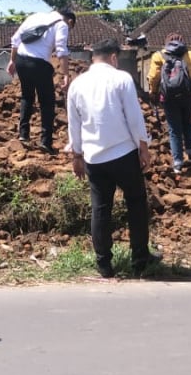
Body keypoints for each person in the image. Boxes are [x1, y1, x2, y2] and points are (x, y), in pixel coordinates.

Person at [66, 38, 161, 279]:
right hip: (123, 154)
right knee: (136, 204)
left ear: (92, 58)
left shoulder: (77, 84)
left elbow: (73, 123)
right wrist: (143, 146)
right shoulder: (121, 78)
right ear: (114, 58)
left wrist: (76, 155)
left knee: (100, 209)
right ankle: (140, 259)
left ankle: (104, 264)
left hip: (94, 158)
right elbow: (133, 116)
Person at [7, 8, 77, 155]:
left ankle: (23, 135)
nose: (68, 30)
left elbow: (15, 39)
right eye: (70, 28)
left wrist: (12, 61)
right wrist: (65, 75)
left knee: (27, 96)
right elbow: (61, 50)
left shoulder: (35, 15)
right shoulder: (62, 24)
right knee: (47, 102)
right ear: (70, 21)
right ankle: (46, 142)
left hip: (21, 60)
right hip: (39, 64)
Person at [147, 31, 191, 175]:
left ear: (166, 43)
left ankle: (177, 162)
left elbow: (153, 77)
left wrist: (153, 92)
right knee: (187, 122)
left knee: (174, 129)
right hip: (188, 97)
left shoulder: (158, 56)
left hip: (169, 99)